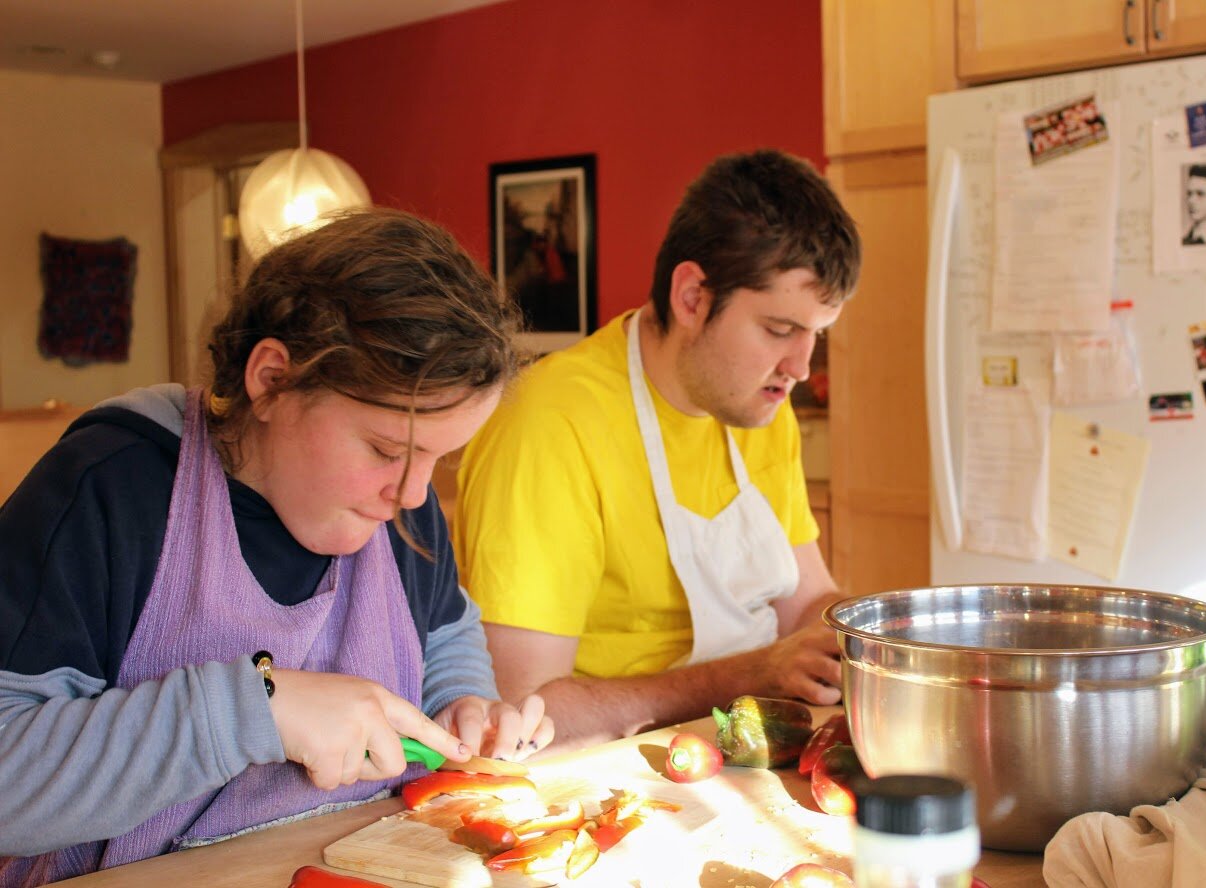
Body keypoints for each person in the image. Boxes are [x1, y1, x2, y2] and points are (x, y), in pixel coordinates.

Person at [0, 208, 553, 885]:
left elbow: (444, 635)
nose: (412, 495)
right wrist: (252, 709)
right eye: (385, 449)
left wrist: (463, 707)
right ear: (271, 380)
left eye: (438, 461)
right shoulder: (108, 490)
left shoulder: (404, 511)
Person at [454, 149, 862, 750]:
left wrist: (887, 637)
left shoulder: (760, 406)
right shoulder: (548, 423)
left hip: (743, 748)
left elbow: (807, 603)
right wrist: (751, 673)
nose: (801, 367)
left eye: (816, 335)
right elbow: (522, 708)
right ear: (692, 296)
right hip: (603, 775)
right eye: (780, 330)